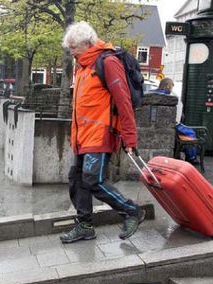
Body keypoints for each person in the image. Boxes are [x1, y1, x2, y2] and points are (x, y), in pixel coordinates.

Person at [59, 21, 144, 243]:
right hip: (82, 136)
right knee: (76, 180)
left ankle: (131, 211)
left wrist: (129, 137)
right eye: (70, 48)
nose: (71, 52)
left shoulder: (108, 62)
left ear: (88, 44)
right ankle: (85, 225)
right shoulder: (81, 67)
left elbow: (123, 102)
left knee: (93, 179)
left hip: (100, 134)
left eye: (74, 47)